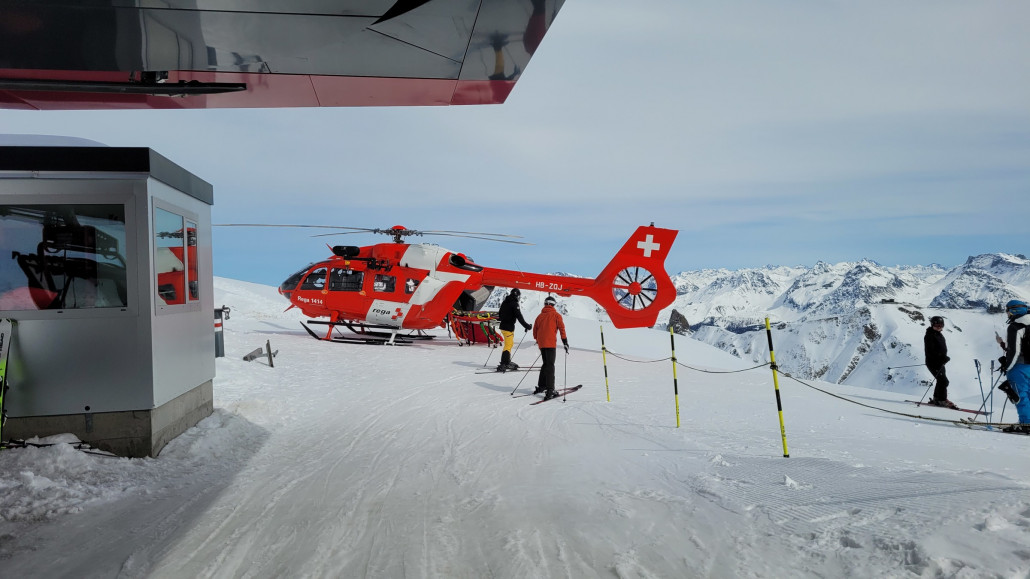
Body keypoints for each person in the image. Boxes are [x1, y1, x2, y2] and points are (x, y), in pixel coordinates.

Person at [998, 300, 1030, 433]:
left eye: (1008, 311)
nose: (1007, 314)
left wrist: (1007, 367)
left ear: (1013, 311)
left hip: (1019, 367)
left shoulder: (1016, 327)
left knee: (1020, 395)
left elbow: (1014, 351)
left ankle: (1026, 423)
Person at [532, 295, 568, 400]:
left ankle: (542, 386)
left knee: (546, 364)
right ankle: (550, 390)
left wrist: (539, 340)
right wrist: (565, 342)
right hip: (550, 344)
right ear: (553, 305)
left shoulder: (539, 316)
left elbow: (535, 332)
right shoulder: (556, 315)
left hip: (542, 344)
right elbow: (562, 329)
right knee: (550, 366)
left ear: (545, 304)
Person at [923, 315, 957, 409]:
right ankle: (941, 400)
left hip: (940, 362)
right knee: (943, 381)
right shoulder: (930, 335)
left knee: (941, 380)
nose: (939, 327)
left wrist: (943, 358)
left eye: (941, 325)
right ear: (932, 324)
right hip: (934, 362)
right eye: (937, 325)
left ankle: (937, 399)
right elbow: (930, 351)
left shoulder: (937, 333)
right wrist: (942, 358)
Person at [496, 288, 532, 372]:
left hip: (503, 326)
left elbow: (500, 315)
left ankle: (507, 361)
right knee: (508, 345)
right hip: (508, 327)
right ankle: (504, 363)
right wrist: (527, 326)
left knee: (509, 344)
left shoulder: (505, 302)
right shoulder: (514, 304)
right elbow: (519, 317)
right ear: (517, 296)